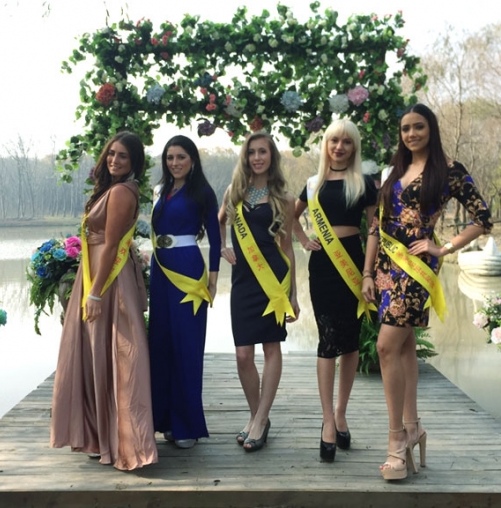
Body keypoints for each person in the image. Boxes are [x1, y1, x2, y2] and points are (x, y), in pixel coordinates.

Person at [362, 103, 493, 480]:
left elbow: (482, 218)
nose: (411, 134)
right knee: (402, 346)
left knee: (385, 347)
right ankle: (413, 426)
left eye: (418, 127)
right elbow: (376, 225)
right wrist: (367, 272)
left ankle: (396, 441)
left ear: (431, 129)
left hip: (416, 268)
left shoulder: (450, 171)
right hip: (385, 268)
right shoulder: (393, 170)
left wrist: (444, 247)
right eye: (405, 128)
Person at [50, 131, 158, 471]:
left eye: (123, 156)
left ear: (134, 161)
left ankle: (123, 441)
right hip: (95, 273)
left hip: (109, 281)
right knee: (98, 353)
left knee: (116, 354)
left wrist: (95, 292)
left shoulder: (123, 192)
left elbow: (111, 245)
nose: (114, 160)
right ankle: (100, 436)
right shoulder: (112, 189)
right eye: (111, 153)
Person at [292, 119, 378, 463]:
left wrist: (368, 273)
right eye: (333, 141)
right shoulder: (313, 184)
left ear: (354, 147)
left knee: (351, 341)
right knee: (327, 340)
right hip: (323, 267)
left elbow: (373, 230)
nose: (339, 147)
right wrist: (303, 239)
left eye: (346, 142)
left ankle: (341, 412)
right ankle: (327, 420)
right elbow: (291, 216)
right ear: (325, 145)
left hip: (354, 264)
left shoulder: (365, 183)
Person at [218, 131, 300, 453]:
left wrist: (293, 295)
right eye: (251, 152)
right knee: (243, 355)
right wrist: (222, 247)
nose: (257, 157)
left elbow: (288, 249)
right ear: (245, 156)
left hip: (273, 282)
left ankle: (260, 418)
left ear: (272, 156)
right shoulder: (234, 192)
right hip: (242, 281)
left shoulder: (284, 198)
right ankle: (257, 416)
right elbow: (218, 222)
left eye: (262, 152)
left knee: (271, 347)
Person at [149, 135, 221, 449]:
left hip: (188, 270)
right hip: (160, 270)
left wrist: (213, 280)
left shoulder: (202, 191)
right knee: (160, 344)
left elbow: (216, 240)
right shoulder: (159, 190)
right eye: (170, 157)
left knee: (186, 346)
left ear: (192, 160)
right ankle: (163, 420)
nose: (175, 163)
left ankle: (187, 425)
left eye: (181, 157)